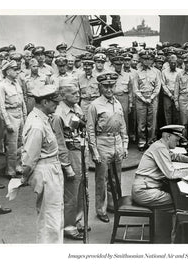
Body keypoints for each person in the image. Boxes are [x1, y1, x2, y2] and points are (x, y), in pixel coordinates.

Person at [21, 84, 64, 243]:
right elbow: (30, 158)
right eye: (54, 102)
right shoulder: (37, 124)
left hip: (50, 169)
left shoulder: (42, 118)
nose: (57, 104)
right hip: (46, 171)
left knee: (54, 216)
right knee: (50, 220)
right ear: (44, 102)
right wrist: (23, 178)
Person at [86, 72, 129, 223]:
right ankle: (101, 209)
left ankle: (114, 204)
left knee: (116, 177)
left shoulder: (117, 103)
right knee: (102, 179)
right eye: (106, 86)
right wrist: (94, 151)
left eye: (111, 86)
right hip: (102, 142)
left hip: (116, 142)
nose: (109, 89)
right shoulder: (95, 105)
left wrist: (125, 145)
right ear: (100, 87)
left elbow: (123, 125)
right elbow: (90, 130)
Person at [50, 84, 89, 240]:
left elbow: (81, 126)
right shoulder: (58, 115)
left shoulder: (77, 108)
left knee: (81, 190)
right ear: (63, 96)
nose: (77, 95)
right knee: (70, 194)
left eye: (78, 92)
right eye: (73, 93)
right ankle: (68, 226)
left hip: (80, 152)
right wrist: (66, 167)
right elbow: (59, 144)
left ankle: (78, 221)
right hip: (70, 154)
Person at [132, 125, 188, 207]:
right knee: (181, 198)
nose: (177, 143)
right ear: (168, 137)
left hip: (147, 187)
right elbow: (171, 174)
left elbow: (174, 156)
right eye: (176, 140)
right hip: (145, 191)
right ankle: (163, 218)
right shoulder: (160, 148)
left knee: (177, 194)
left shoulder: (160, 145)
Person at [0, 60, 27, 177]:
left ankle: (18, 166)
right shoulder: (2, 86)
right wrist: (7, 122)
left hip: (19, 114)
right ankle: (10, 170)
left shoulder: (17, 84)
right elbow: (1, 107)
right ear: (8, 71)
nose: (16, 72)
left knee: (21, 143)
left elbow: (22, 102)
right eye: (14, 70)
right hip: (10, 115)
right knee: (11, 145)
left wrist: (25, 117)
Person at [135, 50, 161, 151]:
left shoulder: (156, 72)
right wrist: (143, 98)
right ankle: (142, 142)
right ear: (141, 60)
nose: (147, 61)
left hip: (153, 99)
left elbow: (158, 87)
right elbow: (135, 88)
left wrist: (151, 97)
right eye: (144, 59)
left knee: (152, 123)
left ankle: (151, 141)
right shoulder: (137, 73)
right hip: (140, 99)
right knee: (141, 123)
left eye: (149, 59)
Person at [112, 55, 135, 135]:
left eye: (120, 65)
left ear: (122, 65)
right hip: (113, 97)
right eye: (116, 64)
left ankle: (125, 138)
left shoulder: (127, 75)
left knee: (124, 119)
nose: (118, 66)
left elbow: (130, 91)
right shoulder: (111, 75)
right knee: (113, 118)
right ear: (114, 65)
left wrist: (130, 103)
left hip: (124, 98)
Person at [161, 55, 182, 125]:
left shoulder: (180, 72)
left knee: (177, 114)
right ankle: (168, 132)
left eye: (174, 63)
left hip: (178, 95)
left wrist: (176, 94)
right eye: (171, 62)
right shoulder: (164, 72)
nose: (173, 64)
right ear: (169, 62)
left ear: (177, 63)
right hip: (167, 96)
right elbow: (163, 84)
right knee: (168, 114)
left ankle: (176, 132)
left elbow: (181, 84)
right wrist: (170, 95)